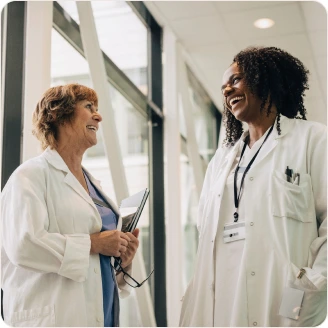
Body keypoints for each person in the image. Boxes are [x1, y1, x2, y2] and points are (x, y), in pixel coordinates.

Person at [179, 46, 326, 327]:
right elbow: (204, 232)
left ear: (265, 80)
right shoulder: (222, 161)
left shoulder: (313, 140)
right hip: (220, 300)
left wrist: (312, 285)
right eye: (223, 86)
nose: (226, 90)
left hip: (283, 300)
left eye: (235, 80)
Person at [1, 84, 140, 327]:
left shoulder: (93, 185)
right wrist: (94, 243)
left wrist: (122, 259)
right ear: (58, 115)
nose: (99, 116)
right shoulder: (30, 176)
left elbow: (96, 266)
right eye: (89, 107)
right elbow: (24, 244)